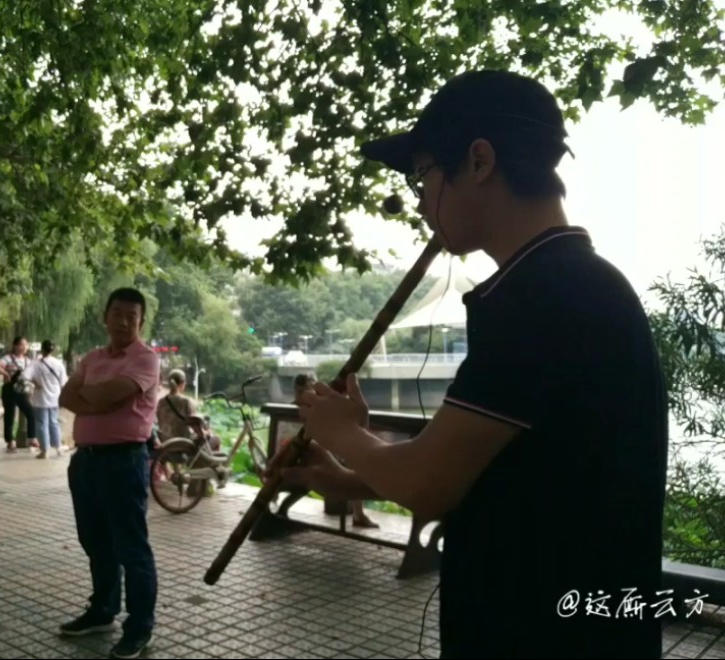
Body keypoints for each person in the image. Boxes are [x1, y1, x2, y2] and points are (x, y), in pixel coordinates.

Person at [282, 69, 667, 659]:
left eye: (422, 175)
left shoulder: (541, 294)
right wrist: (339, 473)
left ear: (480, 161)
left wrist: (342, 431)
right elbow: (480, 467)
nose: (419, 201)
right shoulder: (573, 280)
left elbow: (428, 485)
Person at [59, 287, 161, 660]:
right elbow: (66, 398)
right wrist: (97, 396)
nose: (122, 321)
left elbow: (100, 397)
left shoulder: (146, 359)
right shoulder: (93, 357)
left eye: (131, 316)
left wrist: (93, 395)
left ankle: (140, 627)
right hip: (85, 461)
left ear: (141, 322)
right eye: (116, 313)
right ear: (105, 316)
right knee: (95, 541)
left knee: (131, 547)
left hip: (124, 462)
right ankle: (103, 610)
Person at [277, 373, 376, 528]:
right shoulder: (304, 412)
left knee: (351, 463)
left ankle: (358, 513)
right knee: (351, 463)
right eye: (303, 391)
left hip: (302, 458)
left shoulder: (309, 411)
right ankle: (358, 513)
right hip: (298, 461)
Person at [23, 339, 68, 458]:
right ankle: (58, 447)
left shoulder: (35, 363)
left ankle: (45, 450)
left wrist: (35, 383)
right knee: (54, 422)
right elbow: (64, 382)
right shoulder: (59, 363)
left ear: (42, 350)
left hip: (40, 399)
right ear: (53, 350)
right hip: (55, 398)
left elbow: (24, 376)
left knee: (42, 424)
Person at [0, 337, 38, 453]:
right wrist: (5, 373)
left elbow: (33, 374)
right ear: (15, 346)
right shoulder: (8, 358)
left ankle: (32, 437)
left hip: (22, 391)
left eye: (26, 345)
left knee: (31, 413)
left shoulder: (28, 361)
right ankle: (10, 441)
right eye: (21, 345)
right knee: (10, 416)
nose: (24, 347)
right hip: (9, 390)